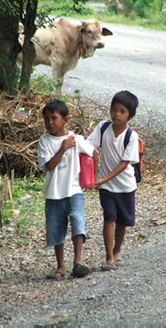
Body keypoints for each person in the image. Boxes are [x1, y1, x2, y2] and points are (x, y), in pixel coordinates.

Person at [38, 99, 95, 278]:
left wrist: (93, 178)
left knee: (78, 222)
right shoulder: (44, 141)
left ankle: (78, 261)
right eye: (46, 119)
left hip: (74, 190)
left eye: (54, 118)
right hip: (54, 192)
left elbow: (93, 153)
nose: (50, 123)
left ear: (65, 120)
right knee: (56, 228)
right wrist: (63, 149)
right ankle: (60, 266)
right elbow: (48, 165)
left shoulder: (76, 139)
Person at [87, 90, 139, 271]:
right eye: (114, 110)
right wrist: (93, 169)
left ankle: (117, 251)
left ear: (130, 115)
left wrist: (101, 179)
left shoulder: (131, 136)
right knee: (109, 217)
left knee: (122, 221)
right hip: (106, 186)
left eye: (122, 111)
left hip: (125, 185)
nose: (117, 114)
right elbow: (88, 146)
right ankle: (109, 257)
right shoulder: (103, 128)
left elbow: (125, 163)